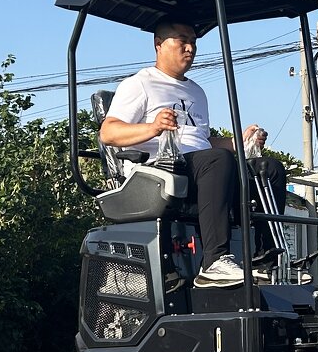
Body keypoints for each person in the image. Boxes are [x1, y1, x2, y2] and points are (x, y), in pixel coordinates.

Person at [100, 21, 287, 288]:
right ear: (159, 45)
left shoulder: (197, 91)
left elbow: (201, 140)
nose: (190, 48)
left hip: (204, 168)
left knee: (268, 169)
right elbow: (109, 132)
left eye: (194, 43)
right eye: (182, 40)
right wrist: (153, 127)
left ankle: (264, 260)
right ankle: (214, 261)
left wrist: (239, 142)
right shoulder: (140, 84)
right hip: (159, 170)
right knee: (217, 160)